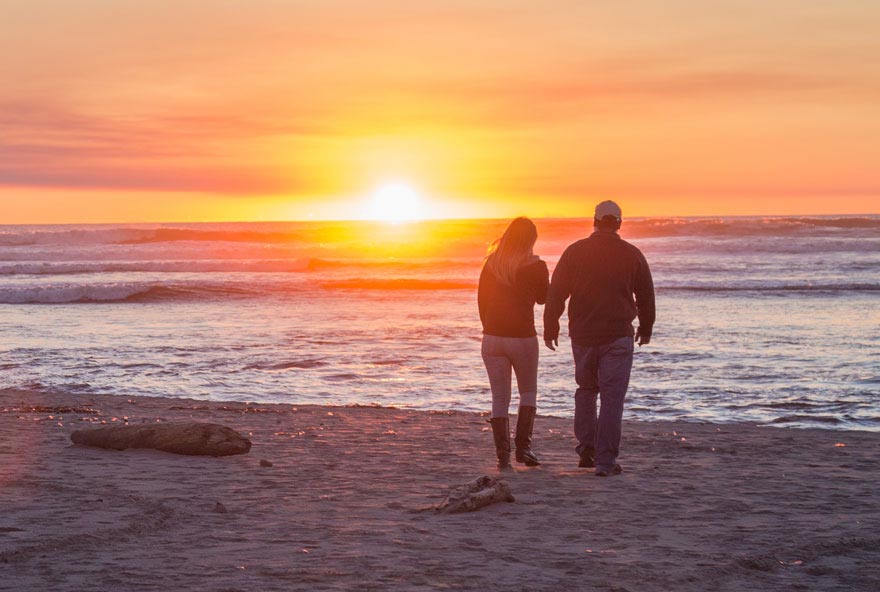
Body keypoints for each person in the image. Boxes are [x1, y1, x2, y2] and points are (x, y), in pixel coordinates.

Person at [543, 200, 655, 477]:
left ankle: (586, 450)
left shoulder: (575, 252)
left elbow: (556, 292)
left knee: (585, 391)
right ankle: (605, 462)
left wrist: (550, 326)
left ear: (594, 221)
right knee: (611, 399)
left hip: (583, 335)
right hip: (617, 336)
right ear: (619, 223)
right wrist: (646, 327)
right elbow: (646, 296)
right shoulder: (632, 254)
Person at [478, 217, 549, 469]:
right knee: (527, 391)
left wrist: (490, 328)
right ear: (531, 240)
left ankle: (502, 457)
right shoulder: (536, 265)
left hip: (492, 337)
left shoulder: (492, 264)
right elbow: (543, 299)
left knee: (499, 398)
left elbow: (482, 302)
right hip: (522, 337)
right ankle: (524, 448)